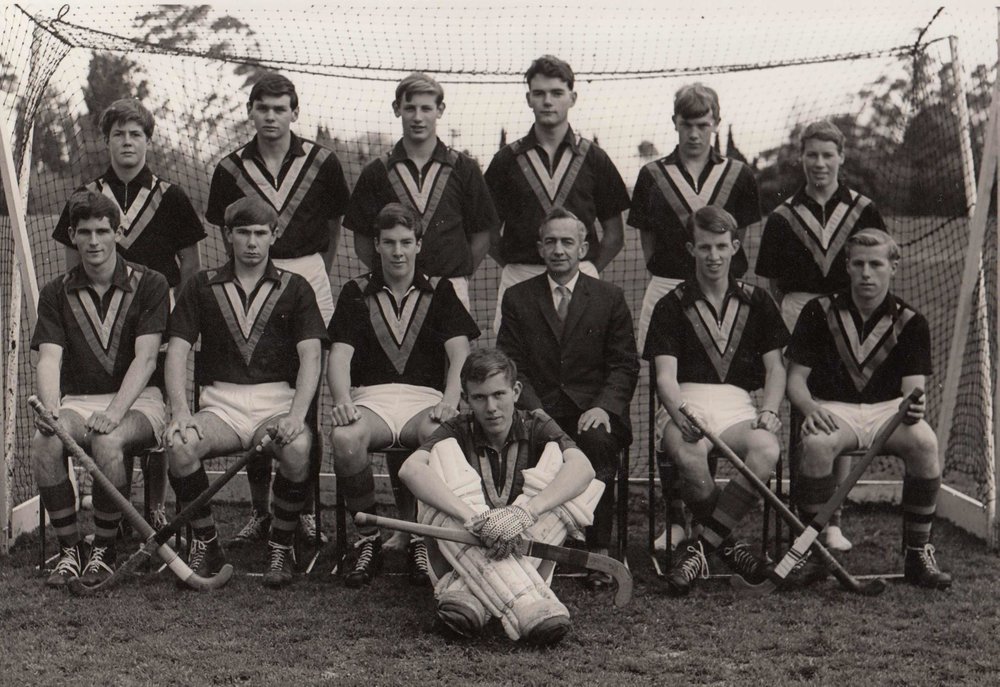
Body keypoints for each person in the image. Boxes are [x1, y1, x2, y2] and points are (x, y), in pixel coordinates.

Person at [207, 72, 350, 548]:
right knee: (255, 379)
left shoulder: (322, 161)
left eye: (280, 107)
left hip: (306, 273)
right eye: (262, 107)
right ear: (251, 111)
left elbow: (333, 225)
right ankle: (258, 510)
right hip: (247, 275)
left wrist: (312, 271)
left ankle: (303, 509)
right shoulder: (229, 167)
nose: (271, 116)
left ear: (294, 111)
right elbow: (221, 230)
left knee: (305, 392)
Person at [51, 98, 205, 531]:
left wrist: (174, 316)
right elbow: (70, 264)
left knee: (151, 399)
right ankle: (106, 499)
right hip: (98, 311)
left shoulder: (171, 196)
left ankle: (154, 505)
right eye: (118, 134)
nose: (127, 142)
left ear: (148, 141)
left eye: (135, 134)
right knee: (101, 398)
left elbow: (191, 266)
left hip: (157, 311)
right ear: (106, 141)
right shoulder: (85, 197)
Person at [163, 197, 328, 589]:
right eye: (243, 233)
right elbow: (178, 350)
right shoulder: (200, 285)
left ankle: (281, 545)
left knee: (298, 447)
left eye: (260, 233)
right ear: (228, 235)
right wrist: (181, 411)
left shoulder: (297, 287)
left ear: (274, 236)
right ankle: (207, 544)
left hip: (277, 405)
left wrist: (297, 415)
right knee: (180, 445)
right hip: (221, 406)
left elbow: (311, 356)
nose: (252, 243)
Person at [398, 347, 604, 645]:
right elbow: (409, 470)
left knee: (558, 470)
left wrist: (526, 512)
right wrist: (472, 518)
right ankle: (529, 607)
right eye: (480, 398)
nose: (491, 407)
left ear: (516, 391)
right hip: (466, 545)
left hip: (523, 543)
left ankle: (470, 600)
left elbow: (584, 469)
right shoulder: (457, 427)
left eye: (499, 395)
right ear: (466, 399)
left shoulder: (536, 422)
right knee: (438, 470)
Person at [785, 229, 951, 589]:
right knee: (816, 444)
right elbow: (795, 380)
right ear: (846, 266)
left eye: (876, 264)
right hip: (834, 409)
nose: (866, 273)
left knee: (924, 442)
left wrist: (913, 408)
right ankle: (815, 556)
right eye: (858, 264)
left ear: (893, 267)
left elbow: (913, 392)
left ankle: (918, 554)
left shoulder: (911, 321)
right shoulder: (819, 311)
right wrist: (810, 408)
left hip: (887, 413)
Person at [327, 203, 480, 588]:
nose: (398, 251)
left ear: (418, 245)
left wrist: (450, 396)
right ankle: (367, 541)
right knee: (346, 439)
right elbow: (340, 356)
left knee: (439, 437)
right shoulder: (354, 291)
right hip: (371, 399)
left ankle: (419, 538)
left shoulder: (441, 291)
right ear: (376, 245)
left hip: (423, 399)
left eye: (406, 242)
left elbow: (460, 353)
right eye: (390, 242)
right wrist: (343, 398)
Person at [756, 119, 887, 552]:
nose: (819, 163)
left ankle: (833, 519)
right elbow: (773, 285)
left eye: (828, 155)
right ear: (801, 158)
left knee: (843, 412)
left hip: (851, 317)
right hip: (799, 313)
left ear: (841, 157)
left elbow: (877, 266)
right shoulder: (782, 216)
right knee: (803, 413)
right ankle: (803, 516)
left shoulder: (864, 209)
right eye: (811, 155)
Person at [644, 206, 787, 596]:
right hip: (685, 403)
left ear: (735, 246)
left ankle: (703, 545)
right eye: (705, 247)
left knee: (766, 449)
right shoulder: (670, 304)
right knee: (690, 455)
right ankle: (731, 546)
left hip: (738, 406)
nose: (714, 256)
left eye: (722, 246)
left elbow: (776, 370)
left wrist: (771, 410)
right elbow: (664, 379)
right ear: (691, 248)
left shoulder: (758, 302)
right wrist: (679, 413)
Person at [496, 206, 638, 589]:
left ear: (583, 248)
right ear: (540, 248)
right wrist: (535, 411)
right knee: (522, 443)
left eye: (567, 242)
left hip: (591, 411)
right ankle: (525, 544)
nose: (559, 250)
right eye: (551, 242)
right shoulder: (517, 297)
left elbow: (624, 365)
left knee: (596, 441)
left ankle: (600, 550)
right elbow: (510, 365)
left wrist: (604, 406)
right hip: (536, 408)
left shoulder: (609, 297)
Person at [32, 190, 169, 587]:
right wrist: (50, 408)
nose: (94, 242)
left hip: (140, 401)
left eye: (103, 231)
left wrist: (115, 413)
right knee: (44, 443)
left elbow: (146, 360)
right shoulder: (56, 291)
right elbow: (49, 358)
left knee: (108, 442)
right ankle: (71, 549)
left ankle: (106, 549)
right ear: (72, 235)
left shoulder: (151, 283)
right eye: (85, 232)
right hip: (79, 400)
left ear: (117, 232)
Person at [485, 55, 630, 333]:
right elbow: (489, 233)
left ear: (572, 97)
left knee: (583, 361)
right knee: (516, 363)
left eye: (556, 93)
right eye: (539, 93)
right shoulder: (506, 159)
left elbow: (615, 234)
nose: (547, 101)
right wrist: (516, 264)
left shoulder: (595, 158)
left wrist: (585, 267)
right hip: (521, 275)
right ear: (529, 99)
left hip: (580, 276)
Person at [343, 71, 499, 312]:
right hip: (393, 287)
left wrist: (459, 274)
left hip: (450, 286)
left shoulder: (464, 168)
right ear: (397, 109)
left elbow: (482, 236)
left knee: (454, 351)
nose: (418, 117)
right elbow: (362, 240)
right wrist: (389, 272)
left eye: (426, 108)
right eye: (410, 108)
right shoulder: (376, 171)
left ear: (440, 110)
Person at [627, 82, 760, 352]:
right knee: (664, 377)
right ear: (675, 122)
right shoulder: (651, 175)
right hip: (667, 286)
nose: (695, 134)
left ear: (716, 122)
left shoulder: (740, 174)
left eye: (703, 125)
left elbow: (737, 237)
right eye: (687, 124)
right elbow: (648, 241)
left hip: (722, 290)